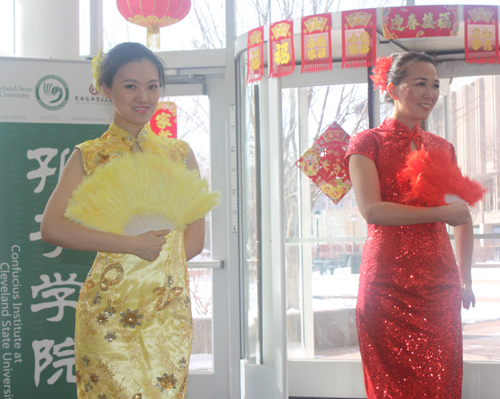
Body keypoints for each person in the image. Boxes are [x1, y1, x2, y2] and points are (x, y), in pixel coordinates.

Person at [41, 42, 205, 398]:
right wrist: (130, 246)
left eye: (152, 86)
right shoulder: (89, 156)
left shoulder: (180, 154)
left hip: (167, 311)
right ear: (105, 89)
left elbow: (195, 239)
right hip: (107, 312)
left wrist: (160, 275)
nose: (142, 96)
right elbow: (52, 228)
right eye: (130, 85)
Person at [345, 51, 476, 398]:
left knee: (440, 382)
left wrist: (466, 277)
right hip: (385, 286)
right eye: (419, 84)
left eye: (434, 85)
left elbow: (462, 215)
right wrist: (440, 215)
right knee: (390, 386)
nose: (429, 94)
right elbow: (373, 211)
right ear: (392, 89)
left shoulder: (441, 147)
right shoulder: (365, 143)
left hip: (440, 286)